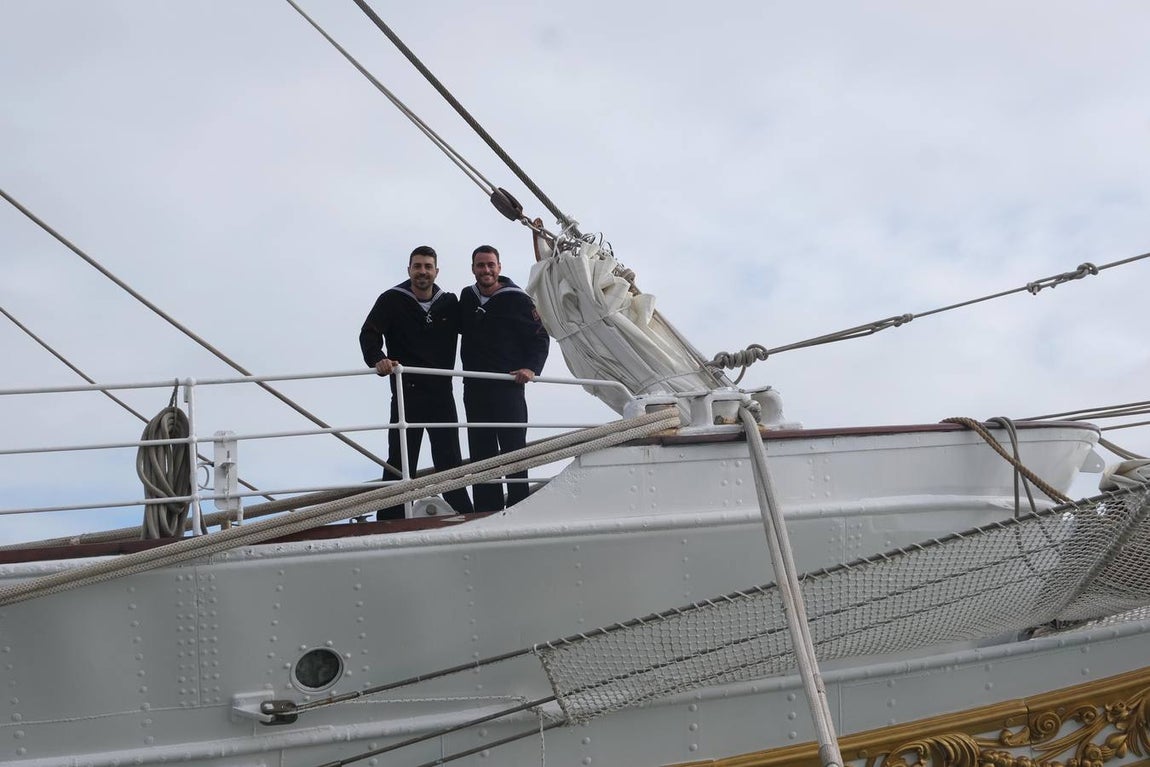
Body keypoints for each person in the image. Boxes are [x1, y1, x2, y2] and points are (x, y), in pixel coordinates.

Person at [359, 245, 473, 519]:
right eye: (417, 266)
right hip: (405, 390)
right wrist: (379, 359)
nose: (422, 272)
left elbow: (479, 329)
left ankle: (464, 514)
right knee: (400, 458)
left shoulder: (449, 303)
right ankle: (388, 518)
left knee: (449, 459)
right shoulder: (391, 300)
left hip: (440, 391)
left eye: (427, 267)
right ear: (409, 269)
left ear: (436, 271)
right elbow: (369, 334)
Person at [459, 245, 550, 512]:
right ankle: (487, 510)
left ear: (499, 267)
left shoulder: (518, 299)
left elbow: (540, 337)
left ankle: (520, 508)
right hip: (475, 387)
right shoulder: (467, 297)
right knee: (481, 452)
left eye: (490, 265)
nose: (485, 270)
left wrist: (531, 368)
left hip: (508, 386)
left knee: (514, 450)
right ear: (473, 268)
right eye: (480, 265)